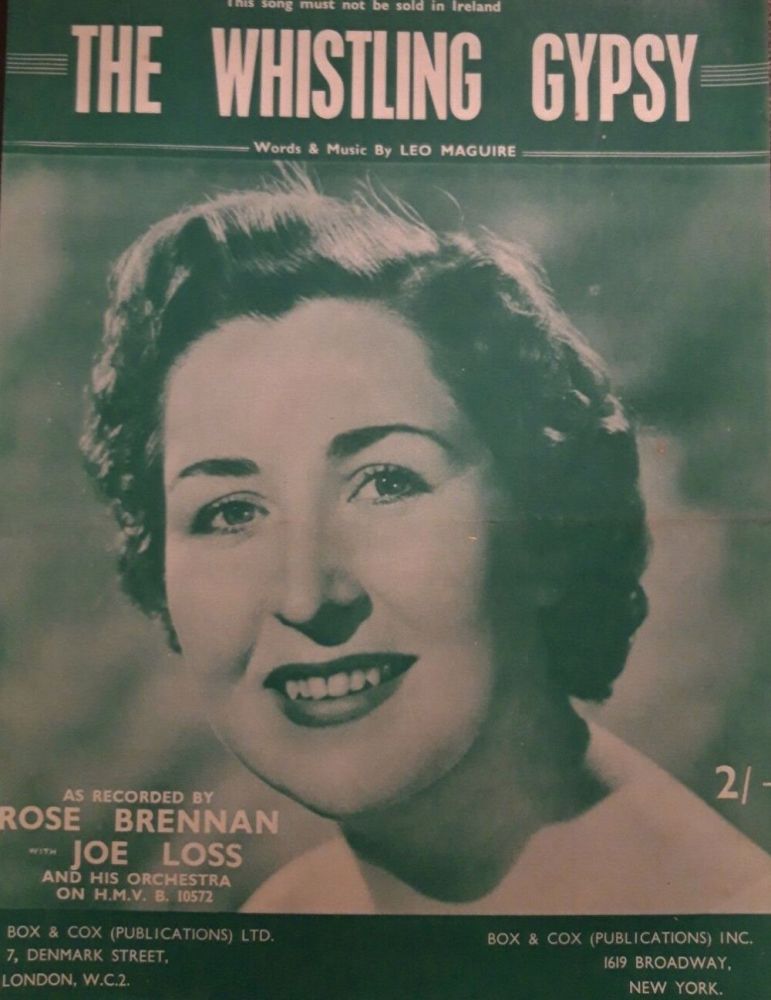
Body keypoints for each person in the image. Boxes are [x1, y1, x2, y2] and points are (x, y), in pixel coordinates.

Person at [81, 170, 771, 914]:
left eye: (386, 482)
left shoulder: (725, 922)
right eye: (229, 513)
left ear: (542, 520)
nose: (306, 596)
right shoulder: (290, 913)